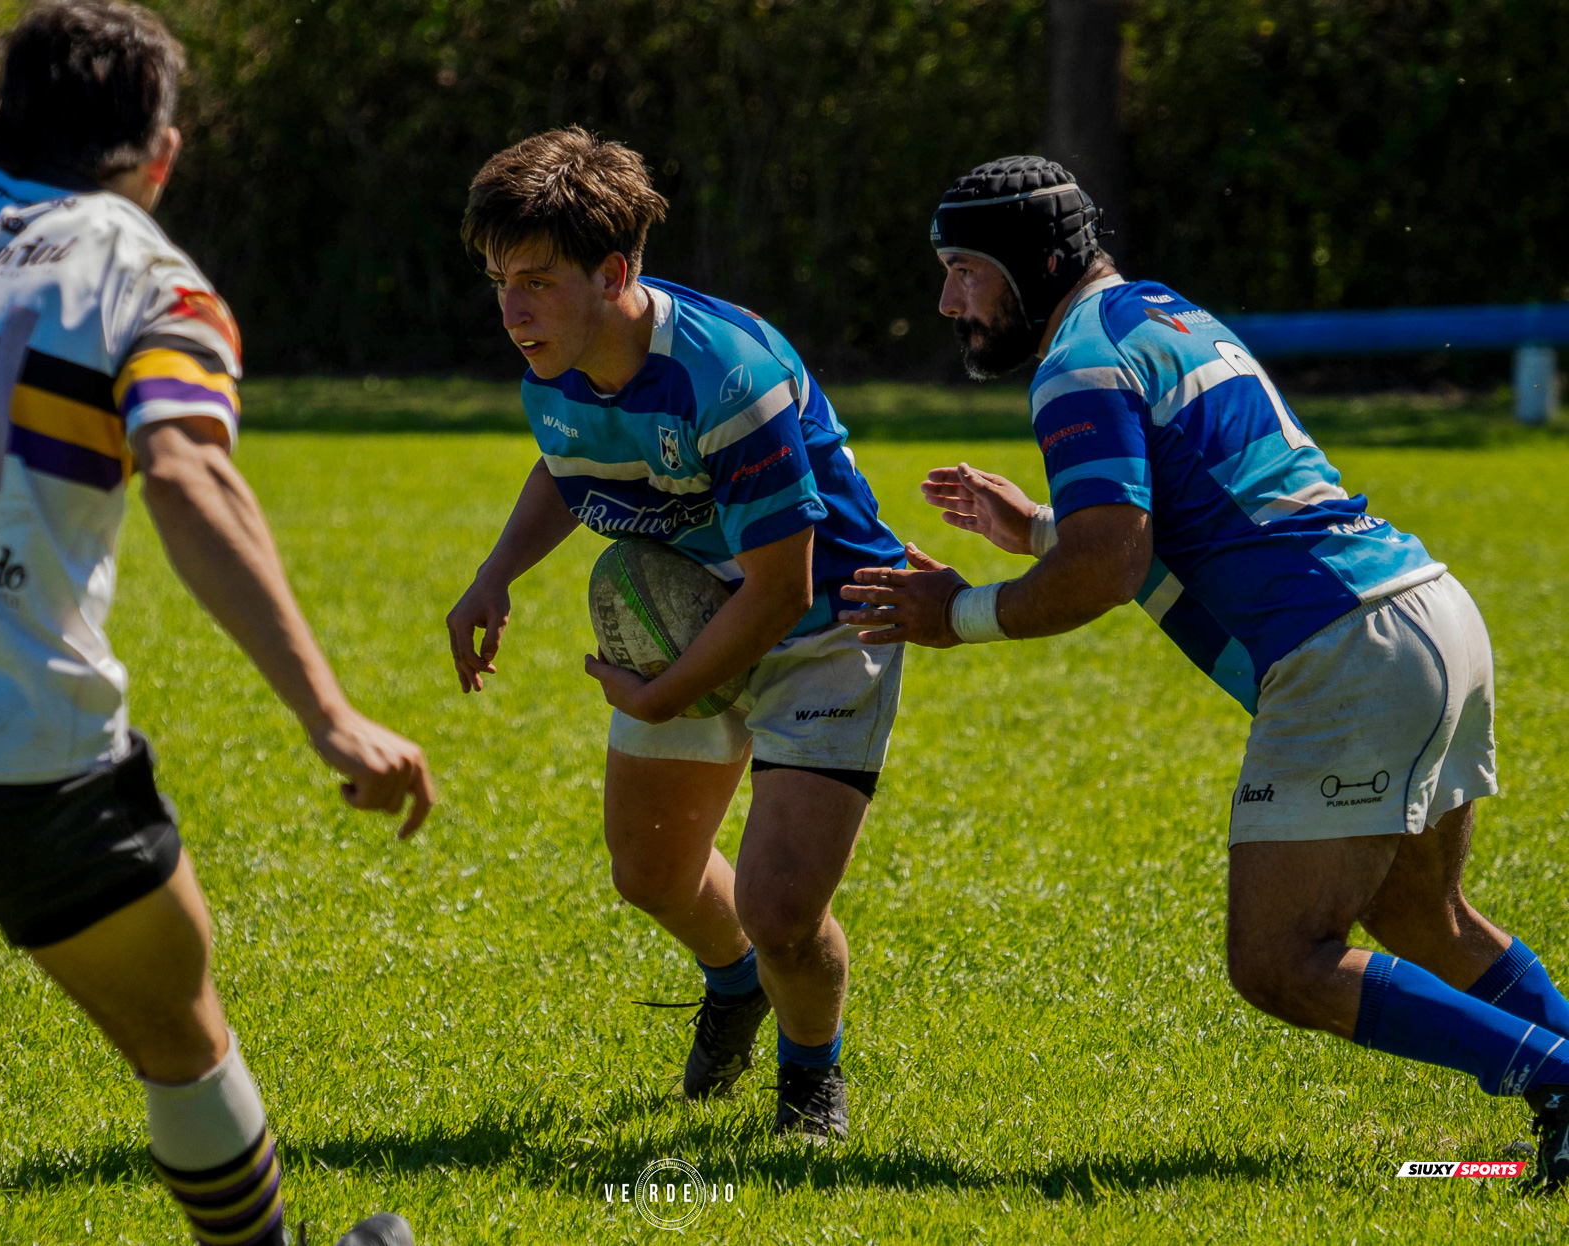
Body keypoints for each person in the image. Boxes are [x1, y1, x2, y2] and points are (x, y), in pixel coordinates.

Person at [0, 3, 432, 1242]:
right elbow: (186, 474)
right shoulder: (155, 279)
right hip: (37, 754)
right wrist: (329, 714)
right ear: (160, 152)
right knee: (181, 1036)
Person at [839, 154, 1569, 1191]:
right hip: (1427, 613)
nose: (949, 299)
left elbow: (1111, 563)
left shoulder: (1077, 366)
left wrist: (954, 614)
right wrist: (1042, 524)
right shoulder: (1159, 314)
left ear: (1035, 264)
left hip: (1346, 651)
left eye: (966, 270)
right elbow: (1206, 506)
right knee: (1421, 920)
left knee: (1280, 961)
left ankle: (1562, 1078)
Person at [447, 128, 906, 1140]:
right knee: (650, 873)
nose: (513, 310)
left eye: (537, 280)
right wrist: (494, 574)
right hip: (695, 603)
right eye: (498, 281)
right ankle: (735, 982)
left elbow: (782, 588)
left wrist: (658, 694)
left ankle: (809, 1081)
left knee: (783, 909)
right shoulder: (554, 359)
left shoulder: (722, 377)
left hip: (827, 622)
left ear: (616, 273)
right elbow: (572, 466)